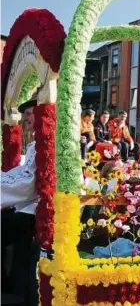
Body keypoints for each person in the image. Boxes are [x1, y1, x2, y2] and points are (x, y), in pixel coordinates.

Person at [1, 99, 39, 306]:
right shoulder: (35, 144)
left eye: (31, 113)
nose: (26, 118)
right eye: (25, 114)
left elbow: (28, 184)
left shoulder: (46, 143)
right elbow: (20, 174)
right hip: (23, 205)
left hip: (34, 209)